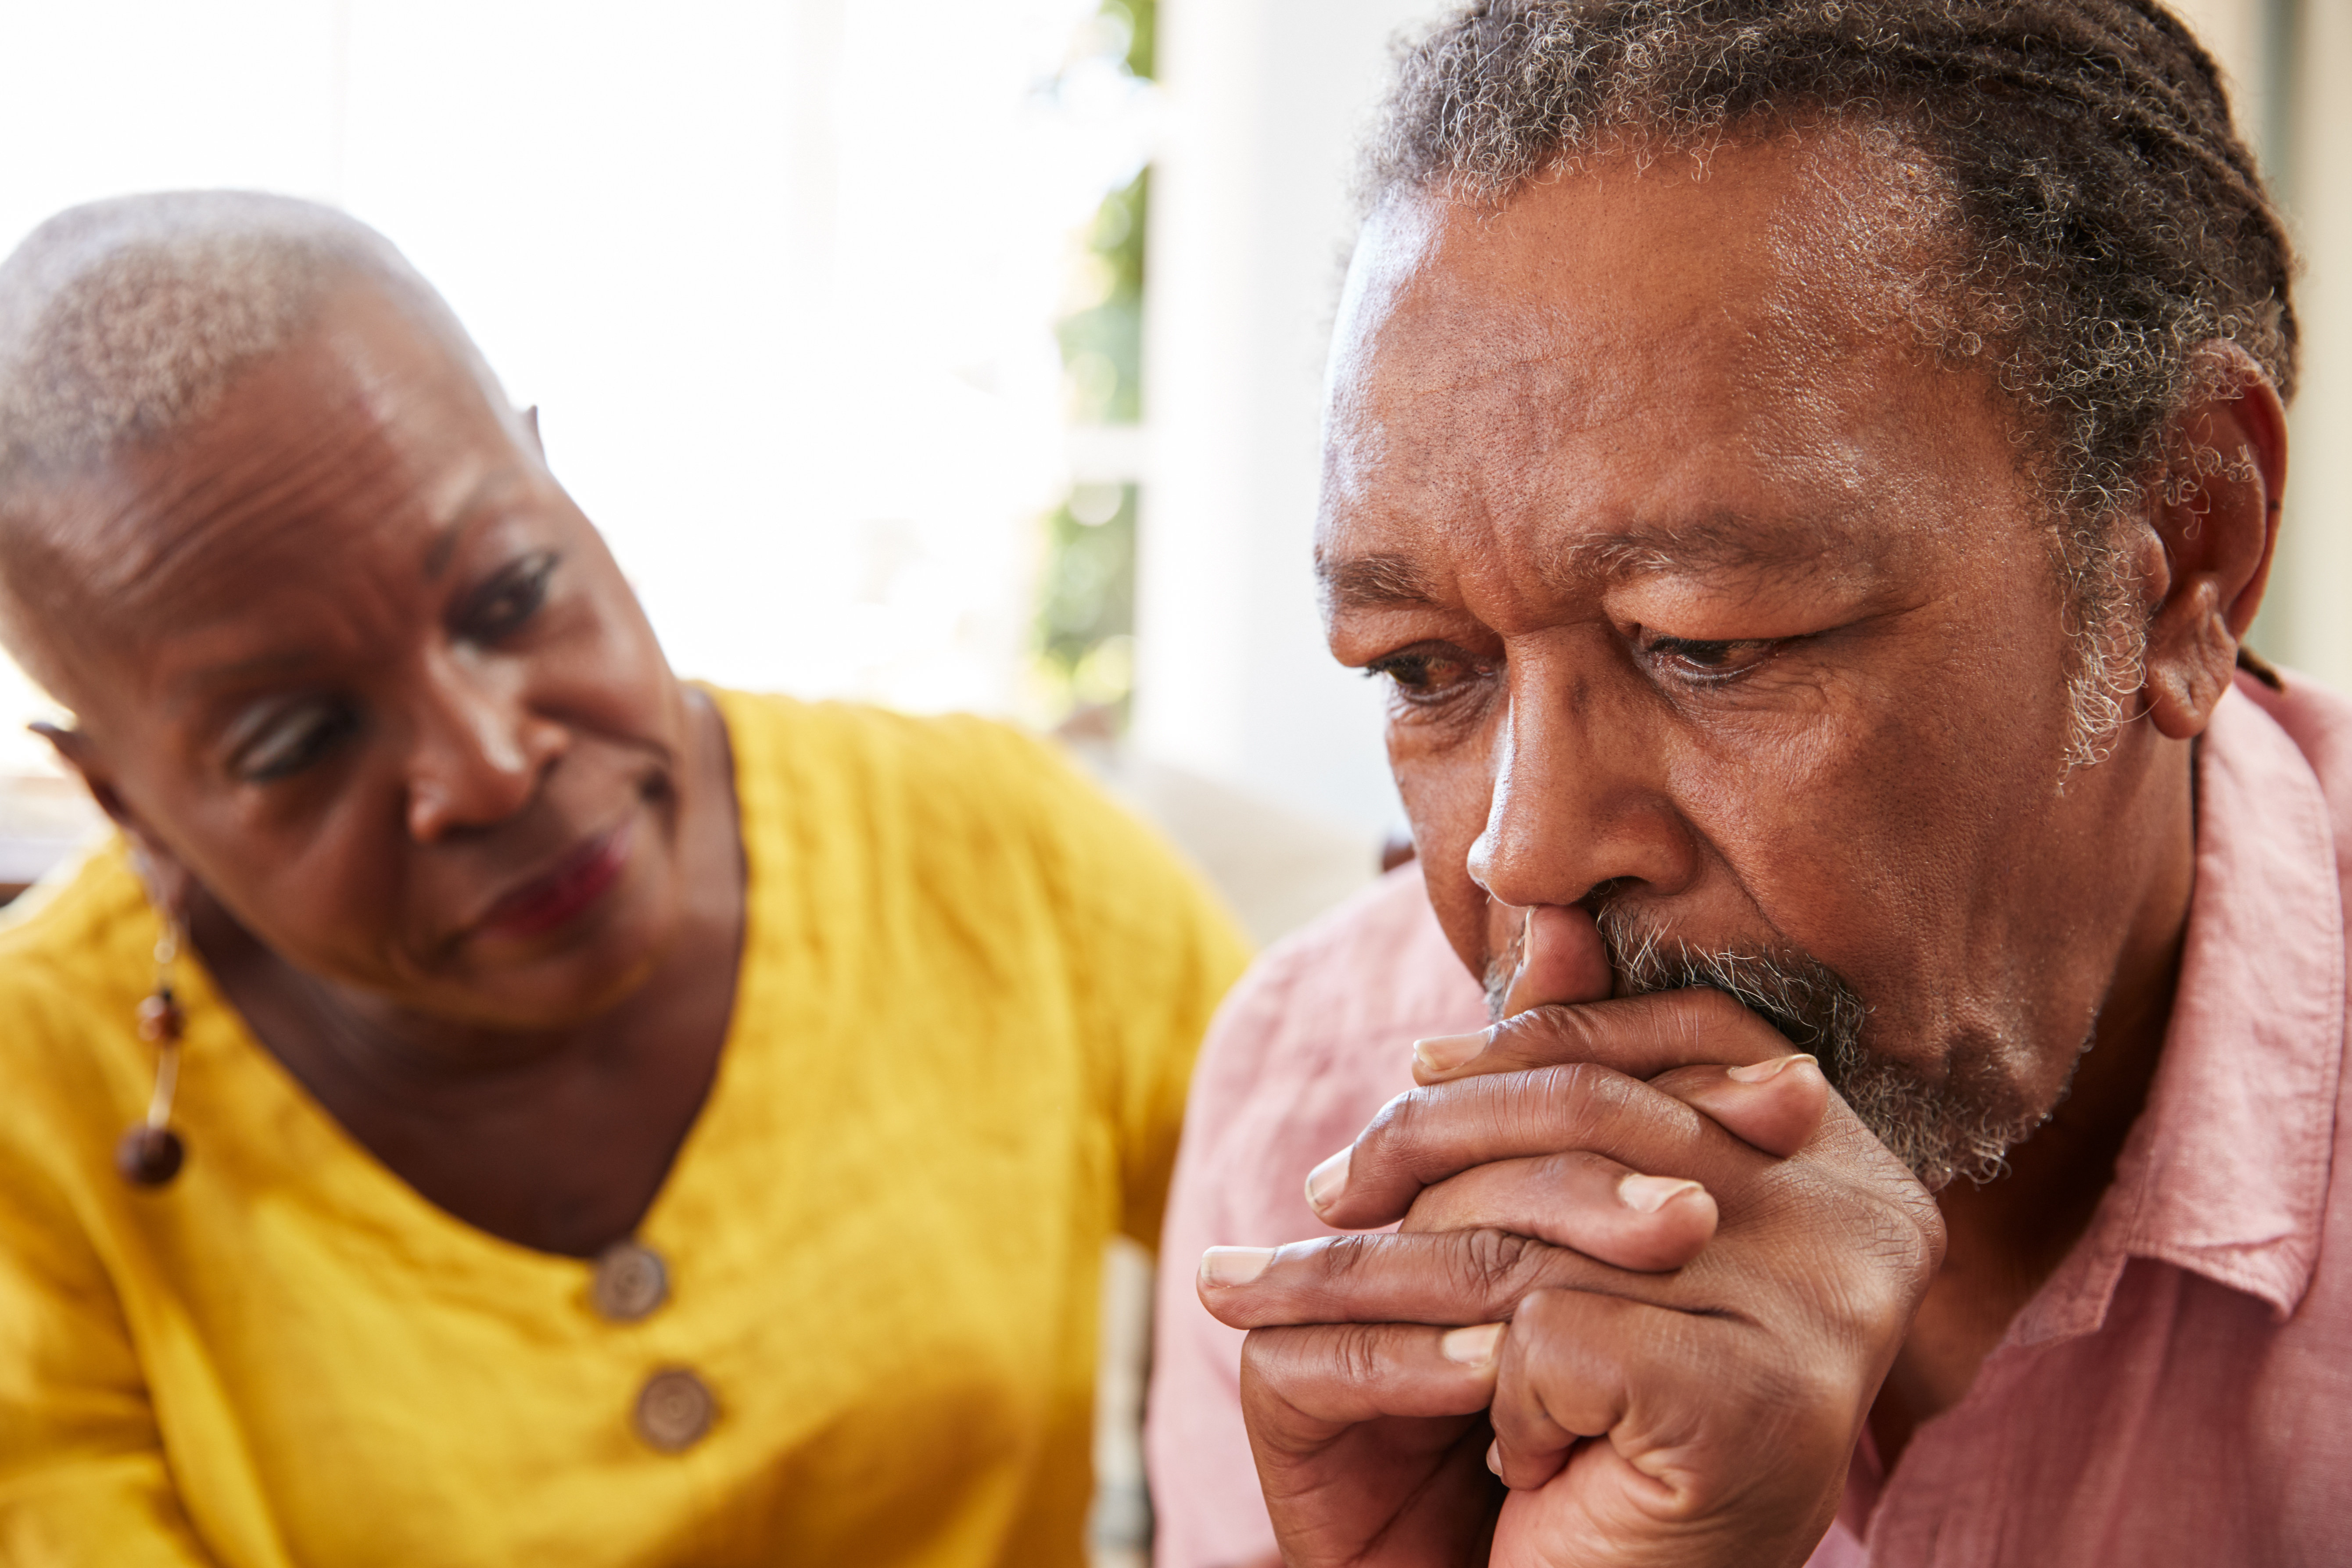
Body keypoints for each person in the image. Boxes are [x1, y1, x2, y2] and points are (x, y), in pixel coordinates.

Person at [1146, 2, 2351, 1564]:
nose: (1524, 854)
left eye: (1706, 645)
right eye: (1424, 670)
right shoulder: (1310, 1131)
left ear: (2185, 555)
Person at [0, 191, 1250, 1565]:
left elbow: (1375, 1309)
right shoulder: (31, 1110)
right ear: (129, 803)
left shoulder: (1002, 856)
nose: (487, 766)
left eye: (511, 594)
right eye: (300, 738)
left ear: (564, 497)